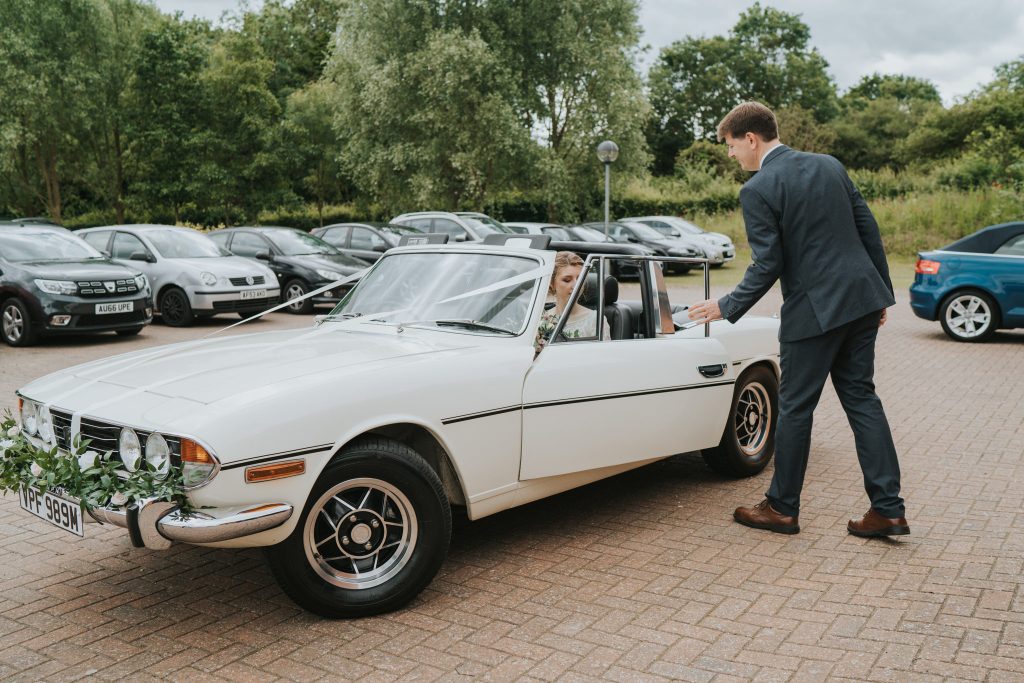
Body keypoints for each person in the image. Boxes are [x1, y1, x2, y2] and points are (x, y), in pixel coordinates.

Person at [687, 101, 908, 538]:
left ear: (750, 139)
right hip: (861, 301)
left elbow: (767, 263)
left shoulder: (758, 188)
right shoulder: (829, 165)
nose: (732, 156)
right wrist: (879, 293)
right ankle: (888, 509)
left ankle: (782, 507)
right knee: (863, 400)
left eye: (731, 147)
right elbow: (869, 229)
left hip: (814, 312)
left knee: (794, 407)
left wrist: (725, 306)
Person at [535, 251, 610, 354]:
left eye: (580, 279)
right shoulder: (539, 318)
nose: (576, 286)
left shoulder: (595, 320)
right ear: (552, 283)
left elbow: (602, 360)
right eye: (567, 280)